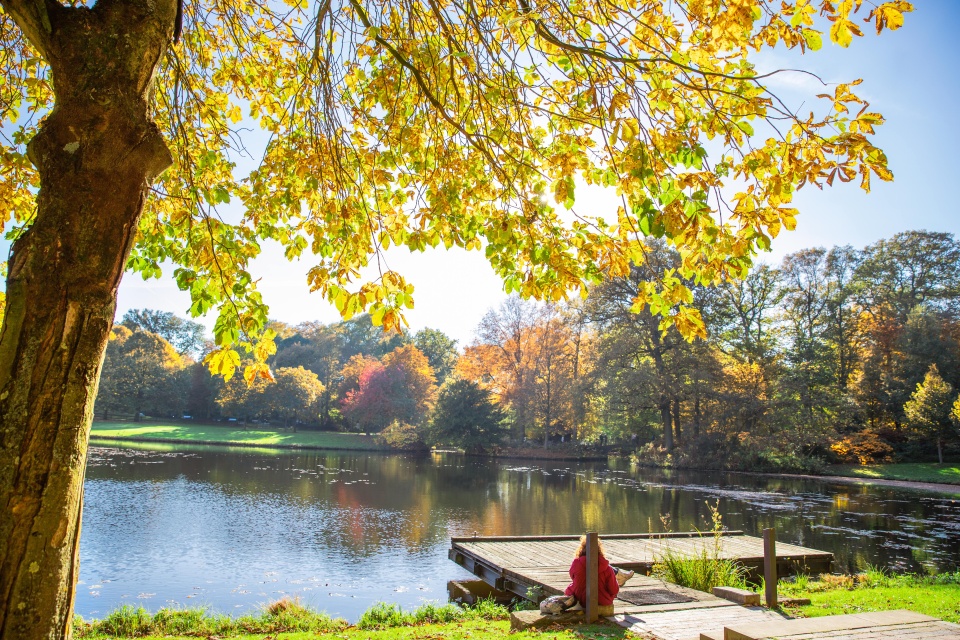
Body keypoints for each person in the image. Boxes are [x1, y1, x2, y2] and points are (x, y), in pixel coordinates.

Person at [561, 535, 634, 615]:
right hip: (602, 600)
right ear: (599, 549)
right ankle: (621, 577)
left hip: (580, 598)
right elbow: (614, 590)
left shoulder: (576, 563)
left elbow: (573, 577)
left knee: (571, 587)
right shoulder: (607, 568)